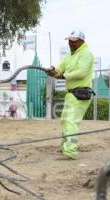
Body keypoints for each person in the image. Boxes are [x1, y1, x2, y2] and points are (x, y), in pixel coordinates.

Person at [46, 30, 94, 159]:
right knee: (65, 121)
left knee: (71, 121)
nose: (70, 43)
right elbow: (60, 69)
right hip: (71, 94)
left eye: (74, 41)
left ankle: (70, 151)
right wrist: (53, 70)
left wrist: (63, 75)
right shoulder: (69, 55)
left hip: (81, 93)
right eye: (69, 40)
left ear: (81, 41)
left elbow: (82, 72)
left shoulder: (86, 53)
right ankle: (65, 147)